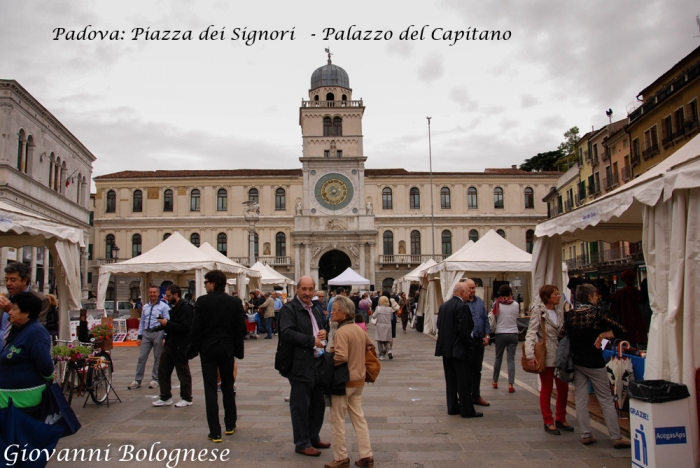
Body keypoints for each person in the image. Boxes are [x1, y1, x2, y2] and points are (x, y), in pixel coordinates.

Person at [565, 283, 630, 449]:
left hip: (577, 361)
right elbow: (621, 329)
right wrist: (602, 334)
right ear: (589, 297)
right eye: (595, 296)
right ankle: (616, 436)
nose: (597, 298)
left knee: (580, 398)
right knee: (606, 399)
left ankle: (586, 433)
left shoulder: (571, 315)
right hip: (595, 361)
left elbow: (562, 335)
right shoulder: (596, 314)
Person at [189, 270, 247, 442]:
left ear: (213, 283)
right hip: (227, 348)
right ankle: (230, 424)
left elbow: (196, 329)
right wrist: (235, 347)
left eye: (206, 282)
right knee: (228, 386)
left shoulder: (202, 301)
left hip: (208, 349)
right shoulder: (235, 302)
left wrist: (195, 347)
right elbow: (241, 329)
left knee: (210, 388)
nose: (205, 285)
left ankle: (215, 432)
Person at [278, 276, 330, 457]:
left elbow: (322, 328)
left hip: (318, 361)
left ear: (315, 290)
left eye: (311, 289)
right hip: (299, 363)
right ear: (297, 290)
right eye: (304, 289)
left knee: (318, 404)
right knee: (300, 405)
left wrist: (324, 332)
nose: (307, 293)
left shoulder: (315, 308)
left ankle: (313, 436)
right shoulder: (289, 309)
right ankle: (301, 442)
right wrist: (311, 341)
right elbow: (287, 333)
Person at [326, 295, 374, 468]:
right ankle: (366, 455)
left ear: (344, 313)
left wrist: (327, 359)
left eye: (335, 310)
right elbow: (370, 346)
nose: (332, 312)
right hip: (359, 380)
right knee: (359, 419)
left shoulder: (341, 332)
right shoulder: (359, 330)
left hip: (343, 382)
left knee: (337, 420)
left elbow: (341, 356)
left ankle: (340, 457)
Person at [525, 285, 572, 435]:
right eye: (556, 294)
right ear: (547, 297)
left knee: (563, 387)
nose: (559, 296)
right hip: (546, 354)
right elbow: (531, 333)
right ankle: (548, 420)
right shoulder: (539, 311)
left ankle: (561, 417)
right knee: (546, 388)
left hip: (561, 355)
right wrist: (530, 355)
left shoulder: (560, 311)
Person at [0, 292, 54, 419]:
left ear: (26, 313)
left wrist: (49, 376)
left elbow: (45, 364)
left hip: (24, 402)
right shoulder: (19, 329)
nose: (10, 312)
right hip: (10, 401)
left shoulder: (35, 333)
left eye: (14, 309)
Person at [434, 283, 481, 418]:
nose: (469, 294)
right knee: (463, 380)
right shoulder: (462, 307)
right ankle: (467, 410)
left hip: (446, 349)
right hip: (459, 350)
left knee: (451, 380)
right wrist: (470, 347)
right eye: (467, 292)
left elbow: (440, 326)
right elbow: (464, 330)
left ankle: (452, 406)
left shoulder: (444, 306)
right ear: (461, 292)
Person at [152, 285, 194, 408]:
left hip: (181, 344)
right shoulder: (174, 307)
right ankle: (165, 396)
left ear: (176, 295)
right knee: (163, 369)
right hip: (171, 342)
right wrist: (162, 325)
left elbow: (185, 327)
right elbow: (173, 324)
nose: (167, 297)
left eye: (169, 295)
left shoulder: (186, 308)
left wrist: (167, 323)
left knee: (182, 371)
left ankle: (186, 397)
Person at [129, 285, 170, 390]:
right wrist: (139, 336)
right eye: (150, 292)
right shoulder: (145, 307)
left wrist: (165, 336)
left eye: (154, 292)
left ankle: (155, 379)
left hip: (159, 332)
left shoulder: (164, 306)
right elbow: (142, 321)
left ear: (158, 294)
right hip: (147, 333)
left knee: (158, 357)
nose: (152, 294)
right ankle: (137, 380)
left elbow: (167, 322)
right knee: (142, 357)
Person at [0, 262, 50, 348]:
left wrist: (10, 310)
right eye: (6, 279)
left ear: (24, 280)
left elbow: (34, 328)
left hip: (18, 351)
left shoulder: (40, 300)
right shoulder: (5, 297)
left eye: (12, 280)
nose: (8, 283)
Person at [464, 279, 490, 406]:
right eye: (470, 288)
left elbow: (485, 319)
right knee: (466, 370)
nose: (472, 290)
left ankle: (476, 395)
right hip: (467, 342)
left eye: (474, 287)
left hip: (479, 340)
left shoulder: (479, 302)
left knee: (477, 369)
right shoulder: (462, 303)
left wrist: (487, 335)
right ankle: (466, 395)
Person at [491, 284, 519, 394]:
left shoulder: (496, 304)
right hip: (513, 333)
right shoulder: (516, 305)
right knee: (510, 359)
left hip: (500, 333)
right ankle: (510, 384)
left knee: (498, 358)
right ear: (510, 293)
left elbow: (494, 318)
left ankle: (495, 381)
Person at [611, 269, 647, 344]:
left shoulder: (620, 293)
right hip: (639, 327)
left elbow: (614, 310)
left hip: (625, 326)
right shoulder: (637, 292)